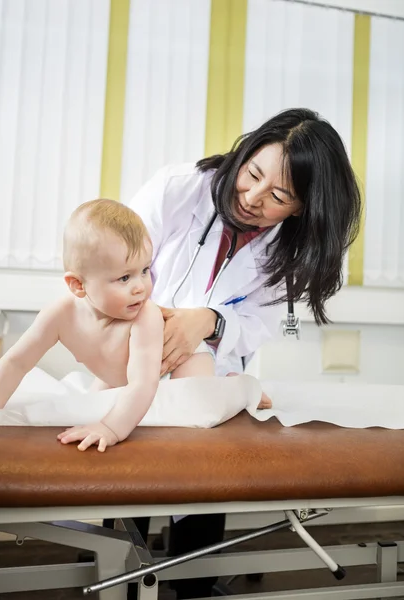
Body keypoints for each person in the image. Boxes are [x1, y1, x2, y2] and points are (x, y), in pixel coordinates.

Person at [126, 108, 362, 598]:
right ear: (246, 150)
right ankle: (117, 570)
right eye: (253, 173)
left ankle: (194, 583)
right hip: (131, 346)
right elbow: (116, 265)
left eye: (279, 196)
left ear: (300, 208)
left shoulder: (294, 251)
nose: (253, 198)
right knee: (131, 471)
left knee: (207, 461)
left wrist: (208, 322)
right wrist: (157, 326)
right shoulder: (179, 188)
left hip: (214, 363)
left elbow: (260, 324)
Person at [0, 199, 218, 442]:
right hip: (118, 374)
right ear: (78, 284)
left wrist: (110, 429)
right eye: (125, 278)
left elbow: (143, 384)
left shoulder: (144, 316)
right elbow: (17, 361)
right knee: (90, 405)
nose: (141, 287)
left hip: (180, 361)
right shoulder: (60, 315)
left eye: (145, 271)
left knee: (191, 408)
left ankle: (235, 390)